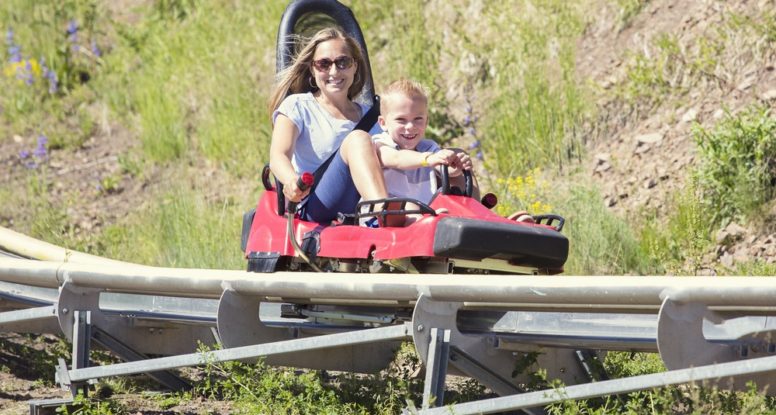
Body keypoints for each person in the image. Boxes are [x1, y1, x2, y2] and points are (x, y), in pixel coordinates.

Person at [268, 27, 401, 225]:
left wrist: (436, 160)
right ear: (313, 69)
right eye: (324, 64)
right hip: (317, 204)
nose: (334, 71)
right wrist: (290, 181)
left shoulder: (374, 115)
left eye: (343, 62)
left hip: (368, 199)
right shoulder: (297, 106)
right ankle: (384, 214)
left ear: (355, 66)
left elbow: (399, 154)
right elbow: (278, 156)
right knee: (357, 140)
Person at [372, 79, 479, 205]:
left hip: (425, 212)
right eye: (401, 120)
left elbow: (442, 166)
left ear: (426, 121)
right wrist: (428, 159)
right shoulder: (381, 143)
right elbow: (396, 158)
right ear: (383, 123)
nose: (410, 126)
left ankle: (477, 213)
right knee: (411, 207)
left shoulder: (428, 147)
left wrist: (455, 168)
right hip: (389, 214)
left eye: (418, 119)